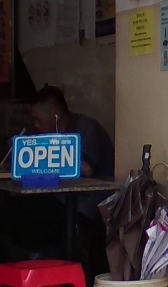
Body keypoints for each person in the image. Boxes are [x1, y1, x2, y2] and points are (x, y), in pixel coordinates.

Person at [25, 86, 114, 274]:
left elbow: (85, 168)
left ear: (55, 114)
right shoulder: (50, 133)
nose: (36, 125)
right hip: (62, 200)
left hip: (89, 204)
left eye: (38, 120)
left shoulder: (87, 128)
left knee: (32, 212)